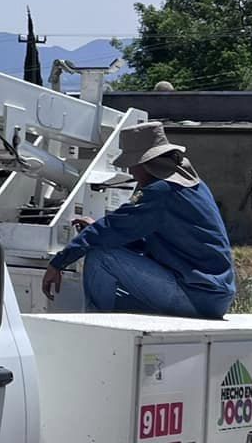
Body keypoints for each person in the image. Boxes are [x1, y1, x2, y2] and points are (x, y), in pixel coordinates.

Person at [39, 122, 236, 318]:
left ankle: (96, 337)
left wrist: (58, 263)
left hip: (195, 295)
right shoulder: (193, 185)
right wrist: (98, 230)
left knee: (101, 257)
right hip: (214, 297)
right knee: (117, 302)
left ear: (146, 164)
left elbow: (110, 228)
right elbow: (142, 240)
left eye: (132, 165)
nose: (131, 173)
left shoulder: (160, 191)